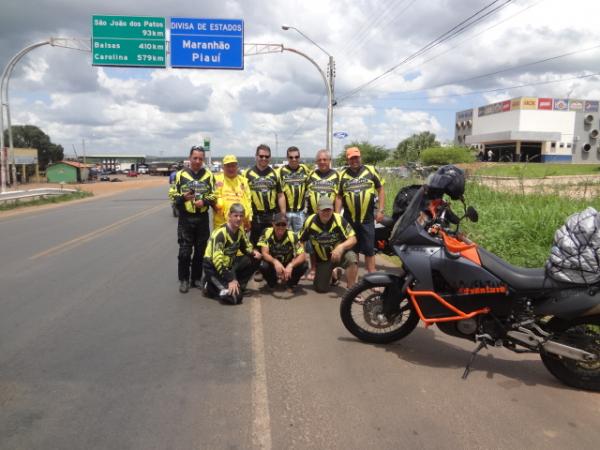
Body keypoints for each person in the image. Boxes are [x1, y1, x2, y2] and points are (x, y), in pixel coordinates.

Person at [169, 146, 216, 293]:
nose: (197, 161)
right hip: (185, 219)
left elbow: (214, 195)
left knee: (200, 251)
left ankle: (196, 279)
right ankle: (183, 279)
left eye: (200, 159)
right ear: (189, 158)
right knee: (184, 251)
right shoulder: (180, 175)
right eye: (195, 158)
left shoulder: (208, 175)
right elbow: (172, 195)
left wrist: (204, 202)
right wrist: (182, 198)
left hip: (202, 218)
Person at [203, 203, 262, 305]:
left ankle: (240, 286)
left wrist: (254, 252)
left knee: (255, 258)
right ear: (229, 216)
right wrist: (230, 280)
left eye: (241, 216)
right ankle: (209, 286)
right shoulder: (220, 234)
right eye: (236, 216)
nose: (238, 219)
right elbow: (217, 261)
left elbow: (246, 248)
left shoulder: (240, 231)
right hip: (214, 268)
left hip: (229, 265)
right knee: (235, 298)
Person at [338, 147, 385, 274]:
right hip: (349, 220)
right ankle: (354, 280)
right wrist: (337, 216)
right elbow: (339, 196)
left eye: (356, 157)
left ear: (360, 157)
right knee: (353, 250)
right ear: (347, 160)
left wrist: (381, 210)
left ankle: (372, 276)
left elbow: (380, 189)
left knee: (369, 249)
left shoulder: (371, 170)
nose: (354, 160)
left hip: (367, 219)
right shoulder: (342, 175)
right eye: (351, 158)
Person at [299, 196, 358, 293]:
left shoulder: (339, 220)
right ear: (318, 210)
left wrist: (340, 247)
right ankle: (334, 275)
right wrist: (301, 255)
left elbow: (353, 239)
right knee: (321, 289)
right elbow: (301, 240)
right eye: (323, 210)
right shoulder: (310, 221)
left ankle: (352, 290)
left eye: (329, 210)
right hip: (323, 260)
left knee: (352, 258)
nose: (326, 213)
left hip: (339, 255)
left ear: (333, 209)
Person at [303, 149, 342, 280]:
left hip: (329, 216)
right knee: (312, 243)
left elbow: (338, 196)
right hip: (313, 216)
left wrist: (336, 214)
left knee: (332, 241)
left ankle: (334, 267)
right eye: (319, 160)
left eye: (325, 159)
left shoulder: (337, 175)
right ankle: (314, 268)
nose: (322, 162)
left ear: (329, 161)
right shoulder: (311, 175)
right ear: (316, 162)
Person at [257, 213, 308, 291]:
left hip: (287, 263)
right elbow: (264, 253)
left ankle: (291, 283)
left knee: (304, 264)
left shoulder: (292, 236)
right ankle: (272, 282)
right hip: (273, 263)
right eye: (278, 224)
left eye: (283, 224)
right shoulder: (266, 232)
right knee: (262, 265)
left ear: (287, 225)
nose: (281, 227)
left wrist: (291, 265)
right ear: (273, 224)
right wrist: (275, 262)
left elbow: (302, 255)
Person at [244, 144, 283, 245]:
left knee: (272, 246)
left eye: (267, 156)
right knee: (255, 246)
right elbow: (243, 196)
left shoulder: (275, 174)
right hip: (255, 217)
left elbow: (280, 195)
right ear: (256, 156)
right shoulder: (247, 174)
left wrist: (283, 214)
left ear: (270, 158)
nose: (264, 158)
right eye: (261, 156)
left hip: (272, 216)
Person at [213, 154, 252, 229]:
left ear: (237, 167)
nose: (231, 169)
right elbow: (213, 198)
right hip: (221, 225)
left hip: (239, 223)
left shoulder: (243, 181)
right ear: (223, 167)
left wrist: (248, 219)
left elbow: (248, 201)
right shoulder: (217, 180)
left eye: (233, 166)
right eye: (228, 166)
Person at [277, 146, 310, 233]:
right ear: (287, 158)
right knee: (285, 237)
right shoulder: (281, 171)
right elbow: (279, 193)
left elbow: (309, 186)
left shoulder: (305, 169)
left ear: (299, 157)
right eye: (291, 157)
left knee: (299, 237)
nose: (294, 159)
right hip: (286, 212)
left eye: (296, 157)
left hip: (300, 212)